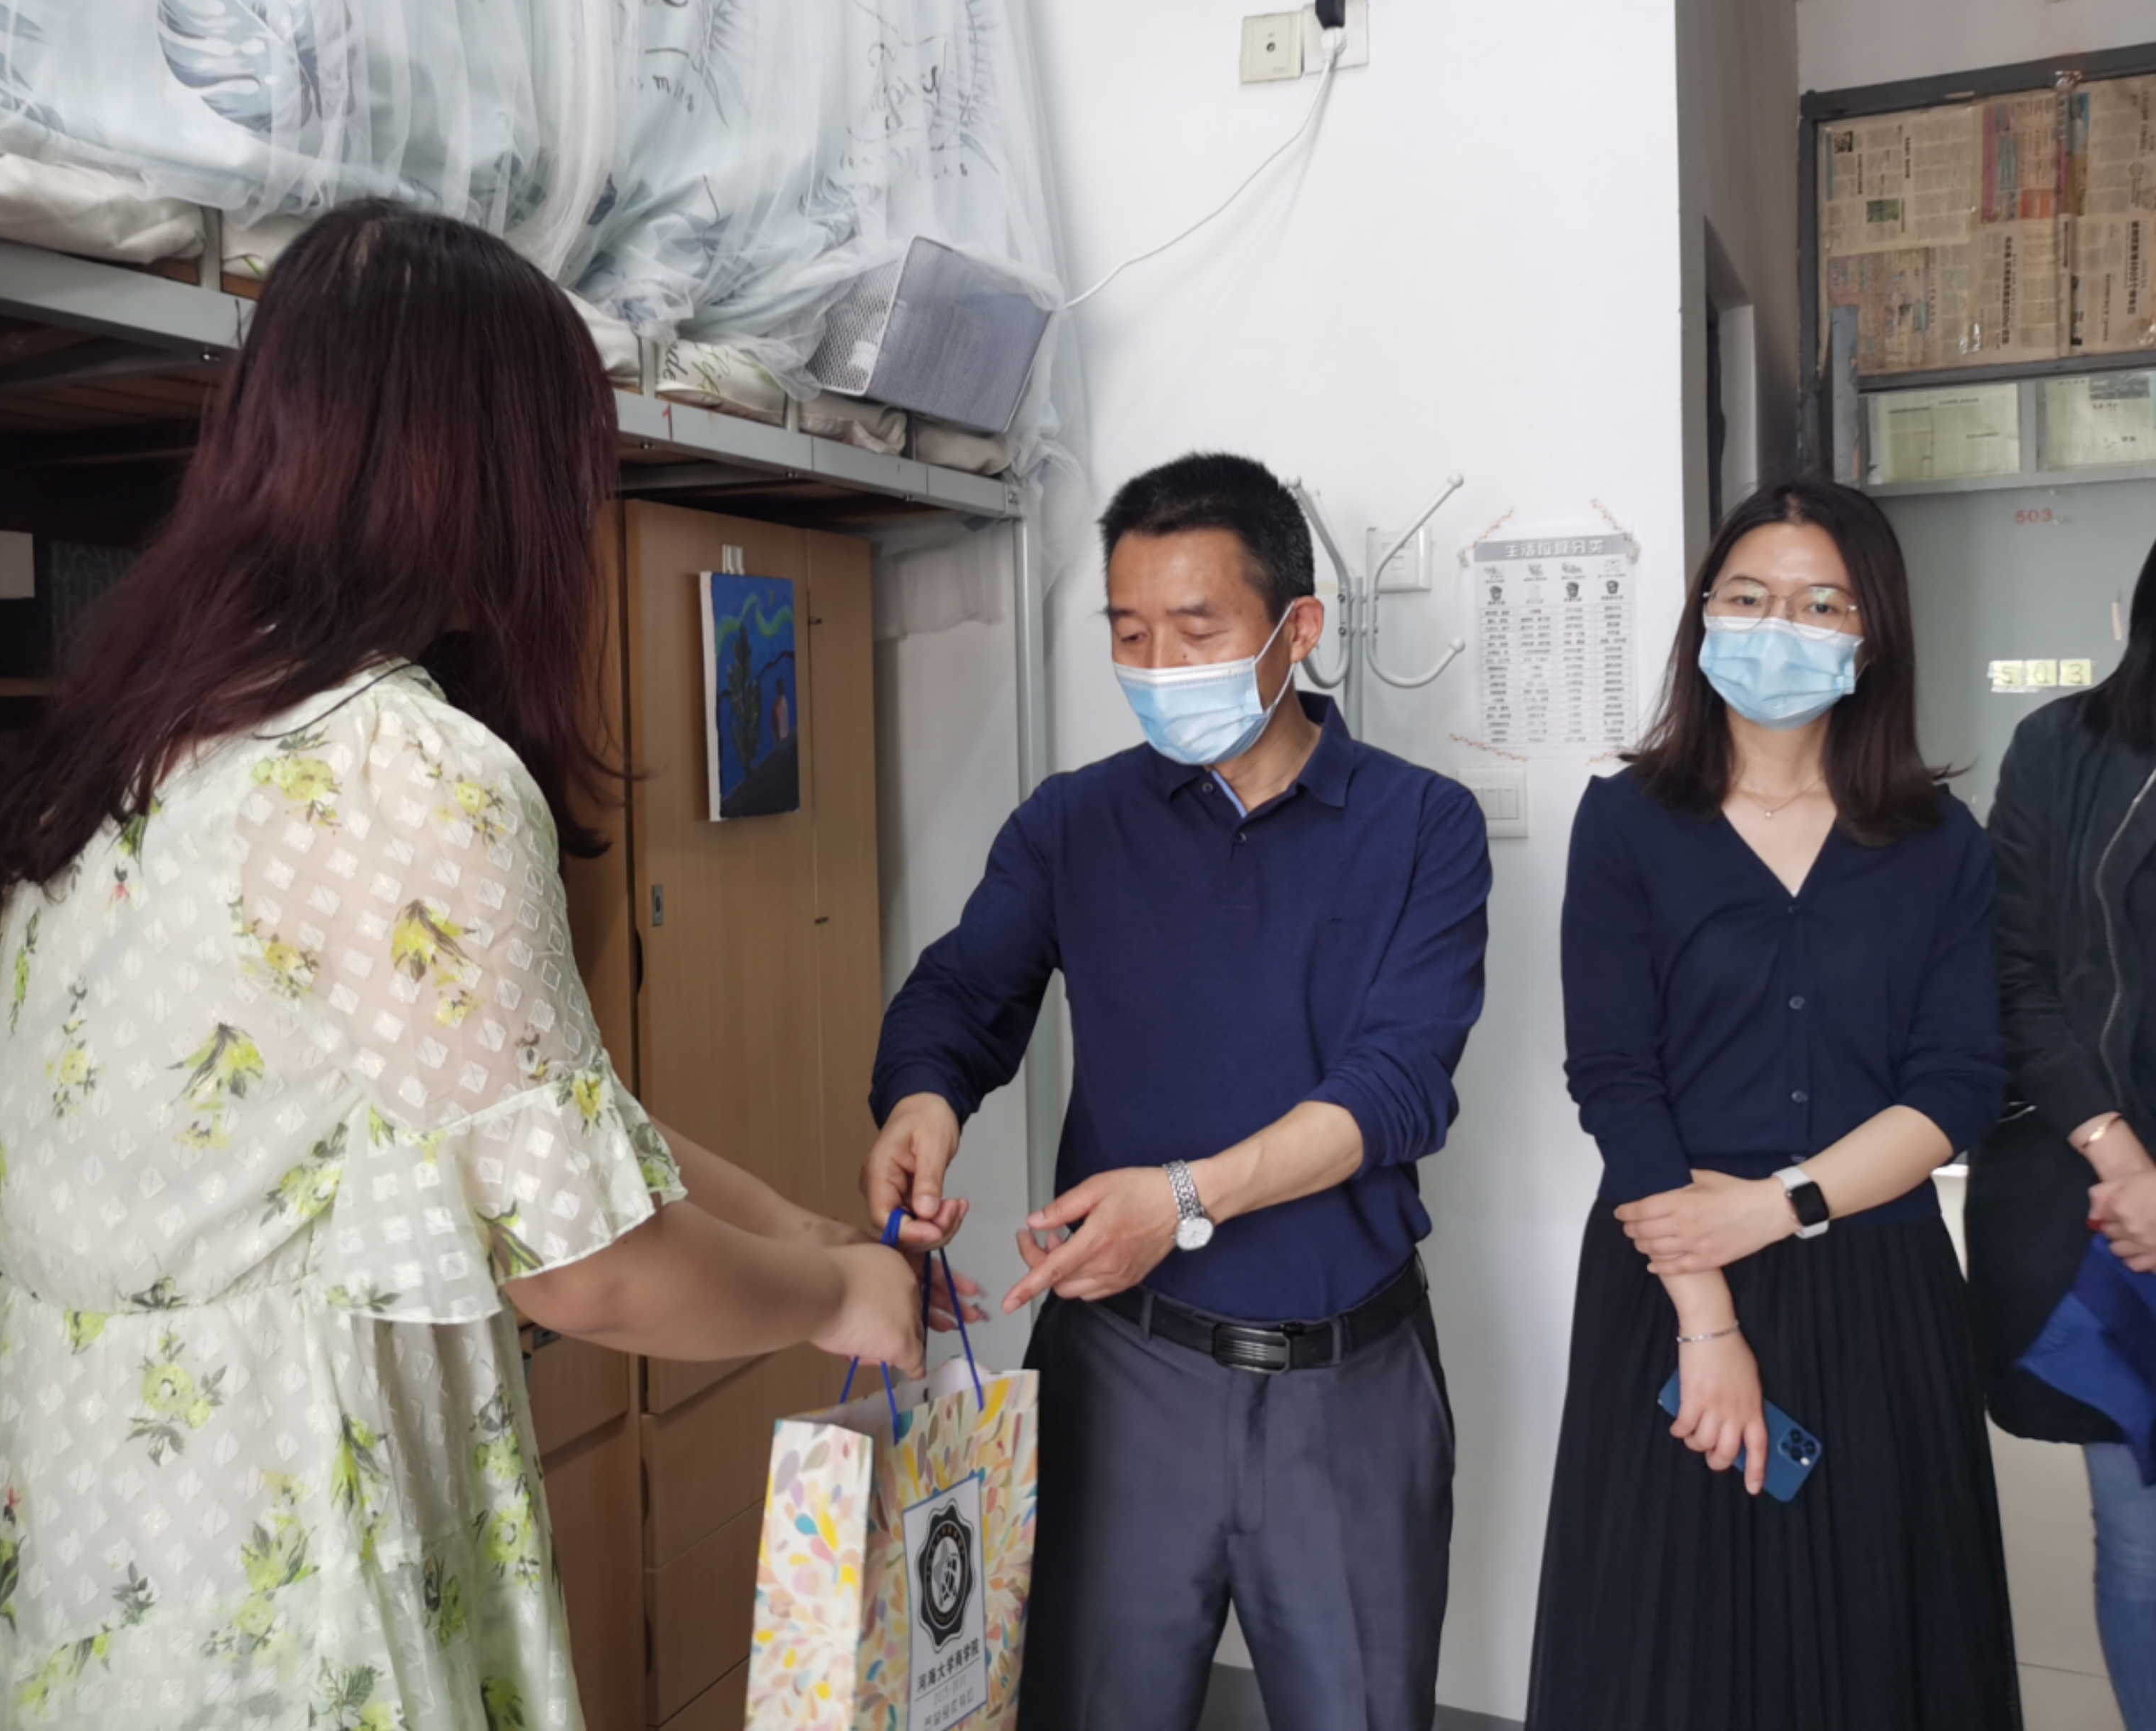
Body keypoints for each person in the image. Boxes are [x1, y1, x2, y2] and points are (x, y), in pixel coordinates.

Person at [0, 201, 923, 1731]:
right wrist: (832, 1293)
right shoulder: (404, 773)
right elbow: (594, 1268)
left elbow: (519, 1116)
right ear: (493, 470)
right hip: (270, 1545)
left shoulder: (145, 726)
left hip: (69, 1524)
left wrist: (793, 1225)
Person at [863, 453, 1491, 1730]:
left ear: (1296, 629)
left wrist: (1184, 1200)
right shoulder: (1073, 824)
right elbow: (959, 997)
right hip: (1123, 1373)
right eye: (1129, 634)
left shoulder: (1421, 826)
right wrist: (921, 1104)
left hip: (1346, 1383)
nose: (1158, 665)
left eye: (1196, 632)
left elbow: (1396, 1085)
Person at [1527, 478, 2019, 1730]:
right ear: (1702, 615)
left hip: (1876, 1288)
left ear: (1870, 634)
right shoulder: (1624, 823)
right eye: (1746, 597)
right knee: (1671, 1645)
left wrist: (1779, 1206)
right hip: (1668, 1275)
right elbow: (1615, 1076)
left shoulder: (1940, 842)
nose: (1776, 627)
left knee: (1878, 1636)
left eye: (1817, 604)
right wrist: (1706, 1323)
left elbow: (1958, 1082)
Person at [1971, 527, 2156, 1730]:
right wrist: (2120, 1156)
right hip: (2113, 1206)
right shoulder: (2064, 747)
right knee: (2140, 1532)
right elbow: (2015, 970)